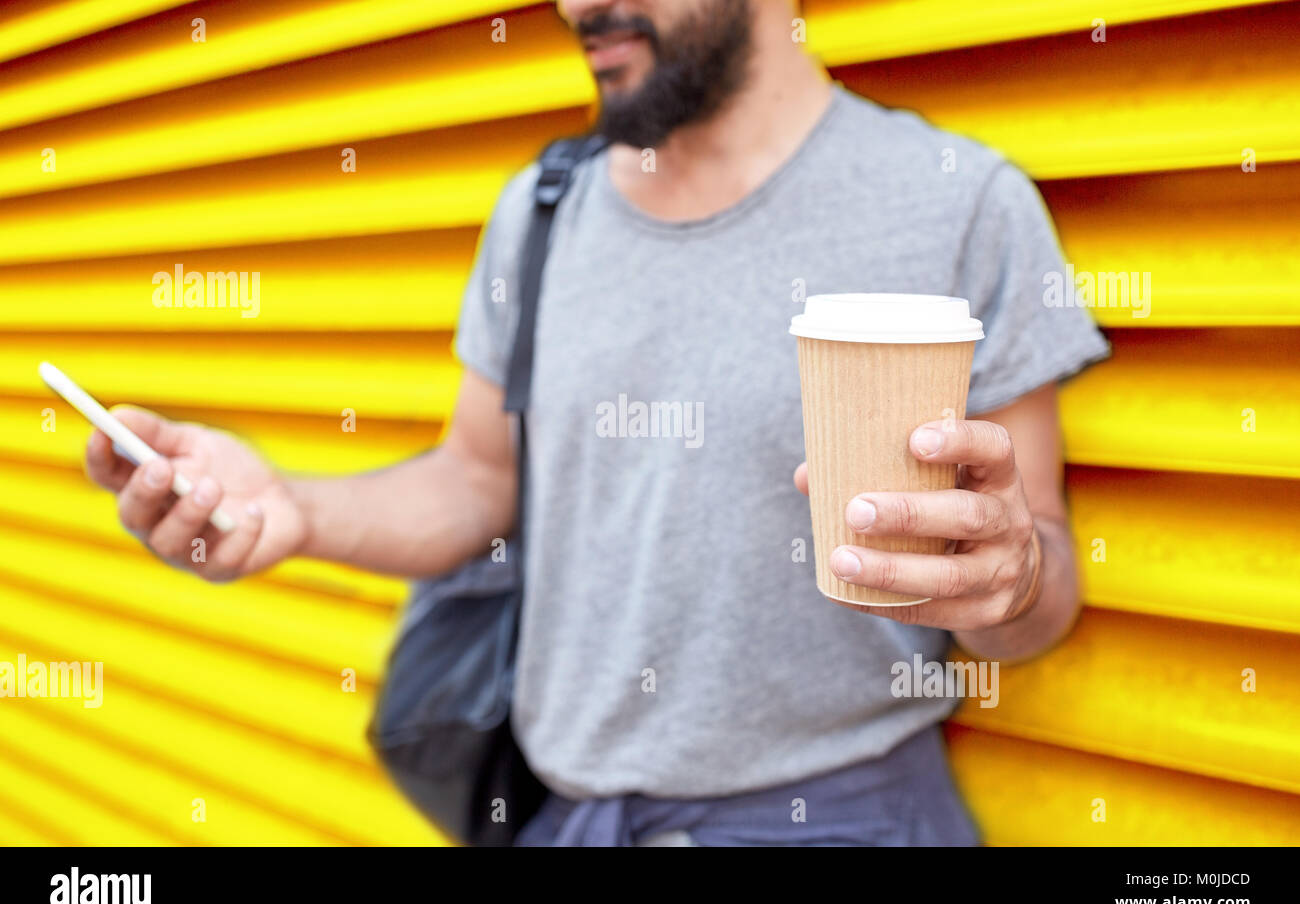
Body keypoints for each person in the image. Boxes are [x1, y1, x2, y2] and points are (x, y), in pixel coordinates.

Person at [85, 0, 1110, 845]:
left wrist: (1008, 579)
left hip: (838, 817)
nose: (579, 9)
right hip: (564, 819)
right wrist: (289, 507)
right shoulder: (540, 209)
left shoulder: (960, 202)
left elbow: (1041, 573)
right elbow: (478, 483)